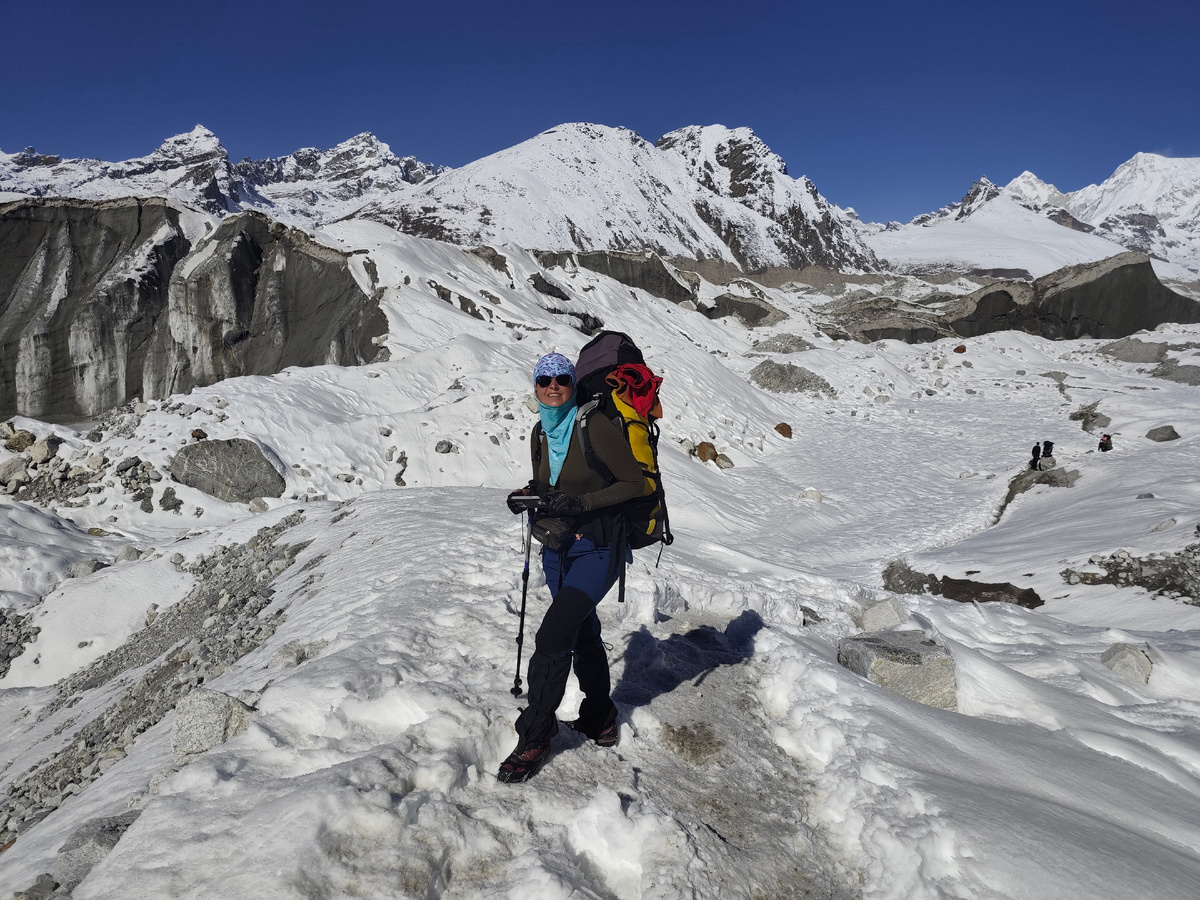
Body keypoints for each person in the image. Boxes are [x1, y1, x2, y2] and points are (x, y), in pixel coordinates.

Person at [499, 352, 647, 783]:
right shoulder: (541, 432)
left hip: (598, 549)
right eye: (544, 379)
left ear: (573, 384)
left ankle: (536, 735)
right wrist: (527, 494)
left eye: (562, 378)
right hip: (557, 547)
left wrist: (583, 503)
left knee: (553, 634)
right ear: (535, 387)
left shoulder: (594, 426)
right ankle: (600, 717)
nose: (553, 386)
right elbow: (549, 485)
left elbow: (634, 483)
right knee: (582, 631)